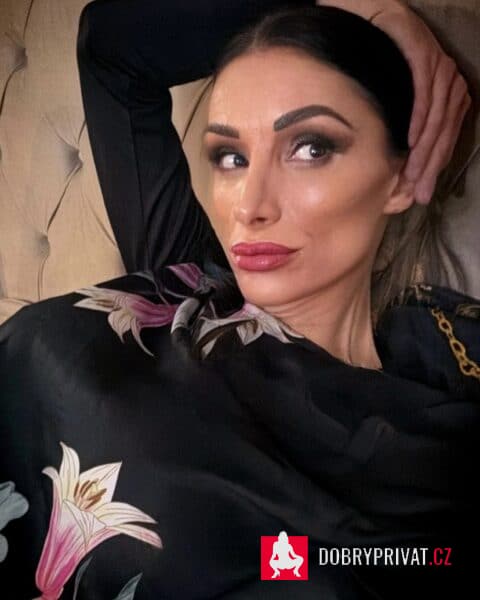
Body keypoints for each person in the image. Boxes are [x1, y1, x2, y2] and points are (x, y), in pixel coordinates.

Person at [0, 1, 478, 599]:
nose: (249, 206)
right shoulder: (187, 285)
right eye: (232, 157)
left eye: (310, 148)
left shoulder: (448, 394)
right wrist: (363, 7)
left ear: (403, 175)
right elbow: (109, 43)